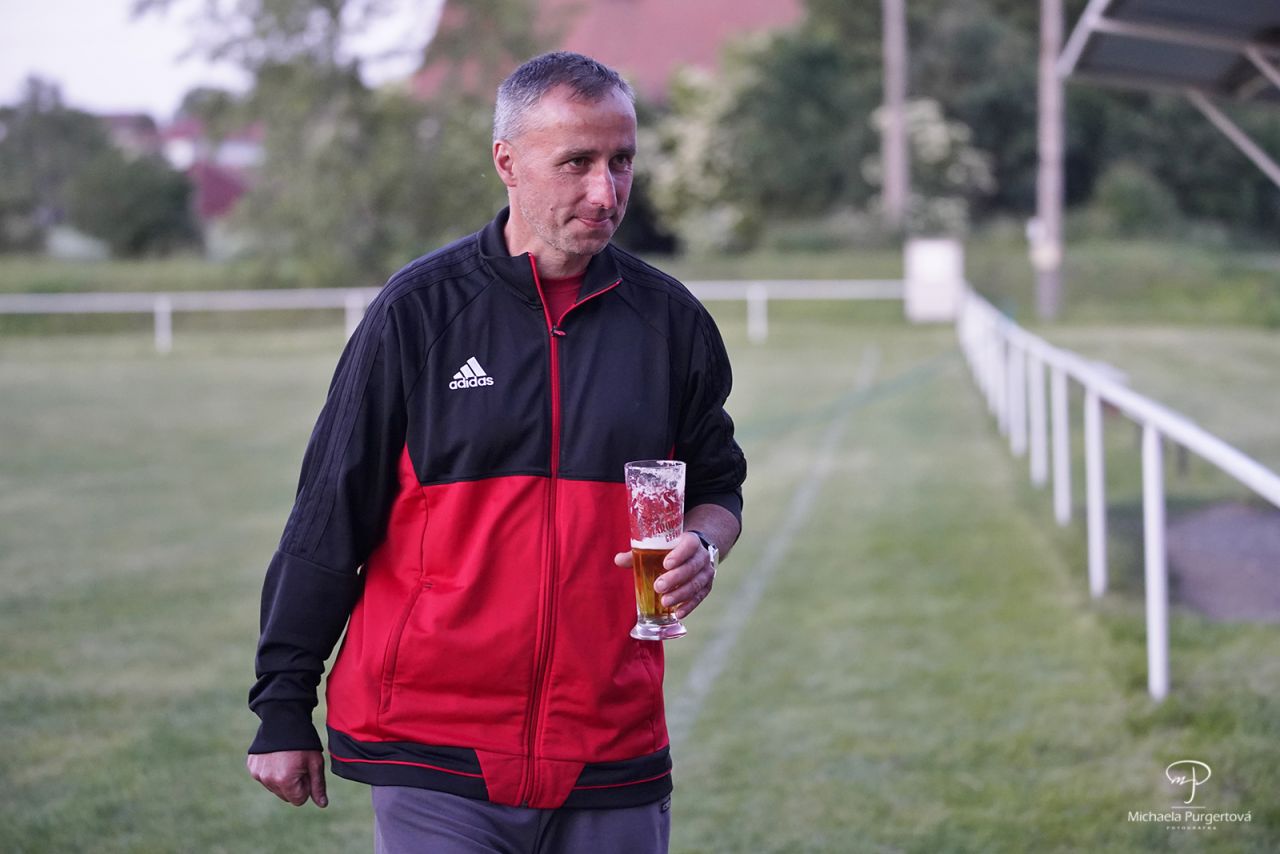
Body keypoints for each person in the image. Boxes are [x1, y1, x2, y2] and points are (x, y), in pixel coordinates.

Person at [246, 51, 746, 853]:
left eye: (621, 161)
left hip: (610, 747)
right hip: (435, 748)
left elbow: (718, 487)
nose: (605, 192)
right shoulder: (417, 311)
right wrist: (281, 704)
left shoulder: (672, 322)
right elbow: (329, 515)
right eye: (576, 163)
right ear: (507, 163)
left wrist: (704, 546)